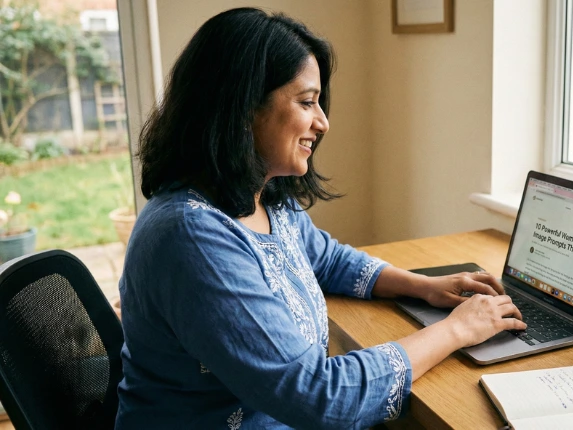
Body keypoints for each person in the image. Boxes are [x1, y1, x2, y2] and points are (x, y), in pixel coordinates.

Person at [115, 8, 525, 429]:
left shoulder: (264, 197)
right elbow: (319, 397)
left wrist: (425, 286)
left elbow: (326, 259)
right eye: (307, 102)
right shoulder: (193, 237)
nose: (323, 122)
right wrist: (456, 331)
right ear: (241, 105)